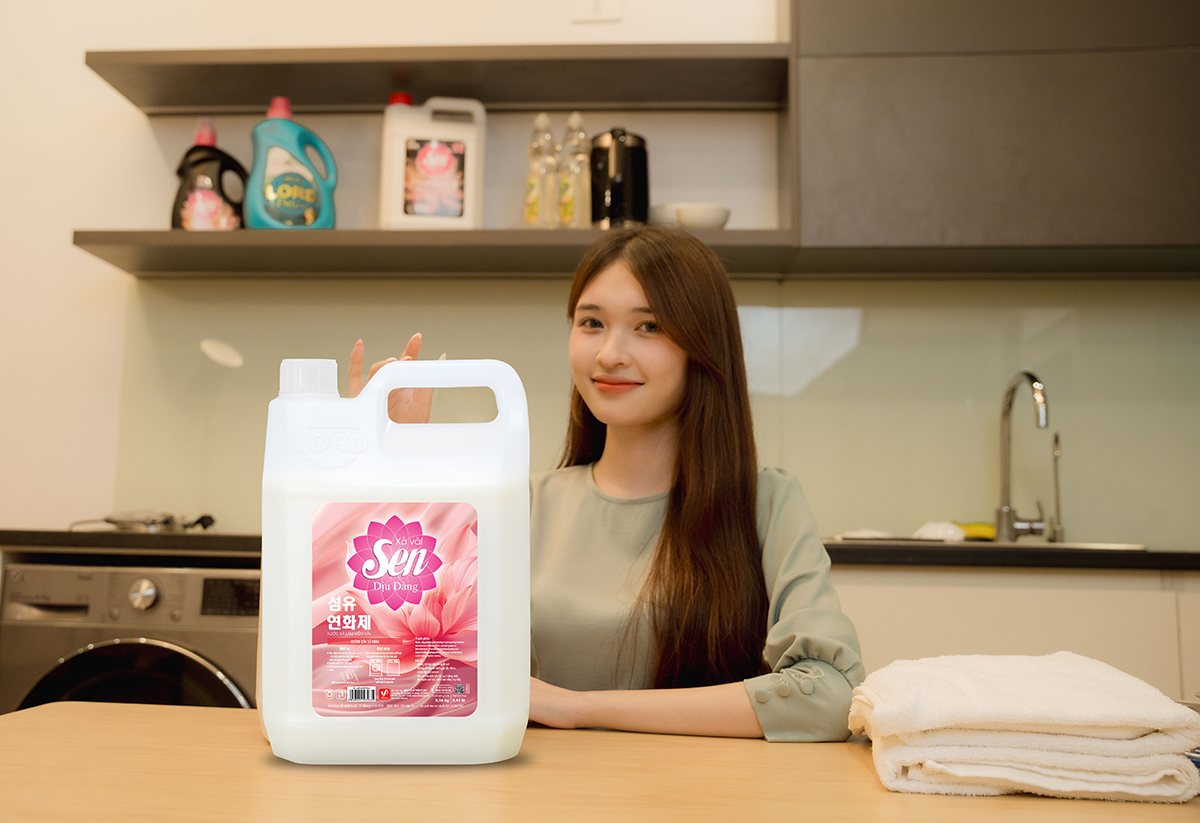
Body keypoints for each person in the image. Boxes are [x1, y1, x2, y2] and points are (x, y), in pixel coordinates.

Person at [348, 226, 864, 741]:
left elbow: (828, 695)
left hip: (710, 787)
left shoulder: (766, 502)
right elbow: (395, 671)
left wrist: (577, 707)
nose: (610, 354)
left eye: (650, 326)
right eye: (592, 322)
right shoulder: (520, 504)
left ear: (703, 346)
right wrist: (386, 476)